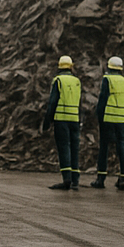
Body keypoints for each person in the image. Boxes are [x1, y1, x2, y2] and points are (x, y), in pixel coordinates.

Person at [90, 56, 124, 191]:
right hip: (121, 119)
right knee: (121, 146)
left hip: (108, 117)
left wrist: (98, 114)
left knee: (104, 147)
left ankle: (101, 178)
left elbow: (103, 98)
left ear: (109, 67)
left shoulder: (107, 79)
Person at [43, 55, 81, 190]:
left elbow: (52, 102)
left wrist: (47, 121)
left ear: (59, 67)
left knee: (64, 148)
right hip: (75, 120)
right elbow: (79, 102)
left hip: (61, 120)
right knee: (75, 148)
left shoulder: (58, 80)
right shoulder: (77, 81)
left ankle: (66, 179)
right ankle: (75, 180)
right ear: (71, 66)